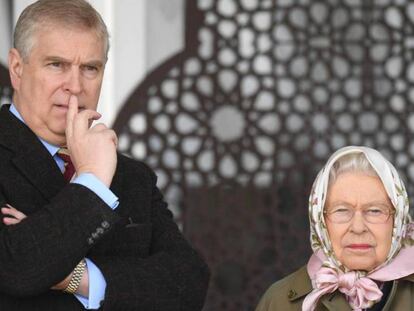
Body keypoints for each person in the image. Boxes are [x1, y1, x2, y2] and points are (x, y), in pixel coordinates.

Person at [0, 0, 209, 310]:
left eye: (90, 68)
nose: (75, 86)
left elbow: (189, 283)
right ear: (17, 69)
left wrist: (80, 276)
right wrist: (93, 181)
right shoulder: (103, 170)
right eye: (56, 64)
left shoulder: (132, 176)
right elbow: (15, 268)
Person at [255, 146, 414, 311]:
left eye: (375, 211)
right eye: (342, 210)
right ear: (320, 222)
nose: (358, 228)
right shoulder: (279, 302)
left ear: (398, 221)